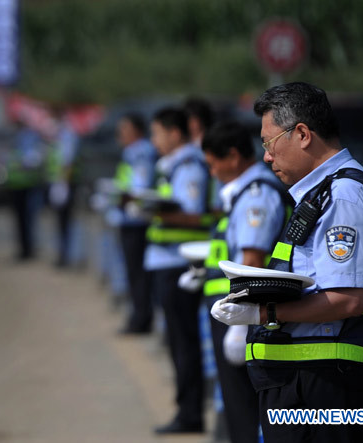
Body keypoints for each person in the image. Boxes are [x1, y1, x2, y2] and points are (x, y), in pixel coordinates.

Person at [211, 82, 363, 443]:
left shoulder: (343, 197)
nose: (266, 156)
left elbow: (348, 298)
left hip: (323, 387)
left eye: (268, 142)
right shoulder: (320, 194)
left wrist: (266, 314)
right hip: (303, 383)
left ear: (303, 134)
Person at [201, 121, 292, 443]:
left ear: (234, 156)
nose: (211, 173)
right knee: (235, 403)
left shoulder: (256, 195)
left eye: (213, 164)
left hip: (243, 316)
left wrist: (240, 327)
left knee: (243, 408)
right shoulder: (242, 193)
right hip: (233, 311)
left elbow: (252, 260)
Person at [143, 107, 214, 434]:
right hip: (166, 261)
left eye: (157, 133)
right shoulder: (173, 165)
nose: (154, 141)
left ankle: (190, 414)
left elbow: (194, 214)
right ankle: (187, 410)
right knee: (177, 341)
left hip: (179, 263)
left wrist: (152, 208)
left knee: (184, 342)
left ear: (175, 133)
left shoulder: (188, 166)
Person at [113, 113, 157, 333]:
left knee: (137, 274)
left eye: (124, 129)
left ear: (136, 130)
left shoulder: (139, 151)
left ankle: (140, 319)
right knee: (136, 273)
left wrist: (124, 196)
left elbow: (139, 187)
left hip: (135, 220)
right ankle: (140, 316)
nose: (120, 134)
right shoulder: (137, 150)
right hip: (130, 218)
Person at [47, 108, 81, 268]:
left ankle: (67, 256)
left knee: (66, 222)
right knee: (61, 222)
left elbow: (67, 162)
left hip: (65, 183)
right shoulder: (59, 136)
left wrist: (63, 184)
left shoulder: (67, 135)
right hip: (59, 182)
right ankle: (63, 254)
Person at [7, 122, 45, 261]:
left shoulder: (31, 137)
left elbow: (34, 159)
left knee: (29, 219)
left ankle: (28, 249)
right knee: (20, 221)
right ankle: (23, 249)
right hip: (16, 185)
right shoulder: (16, 137)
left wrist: (24, 162)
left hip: (28, 185)